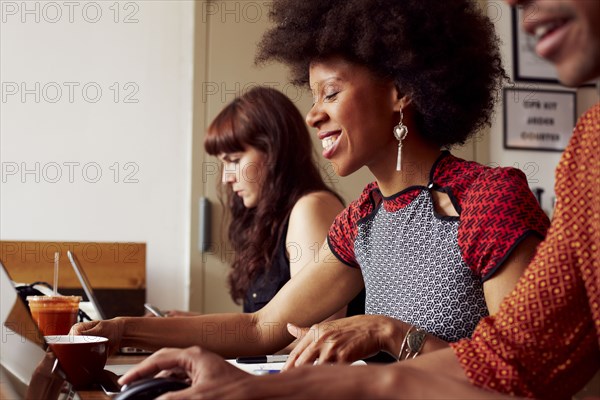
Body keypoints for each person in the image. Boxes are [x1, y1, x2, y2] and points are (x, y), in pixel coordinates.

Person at [116, 0, 600, 398]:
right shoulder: (363, 218)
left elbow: (515, 374)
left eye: (330, 93)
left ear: (401, 92)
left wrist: (388, 333)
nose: (313, 116)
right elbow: (263, 326)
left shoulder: (488, 199)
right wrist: (122, 332)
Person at [164, 86, 354, 320]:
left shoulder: (311, 209)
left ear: (274, 151)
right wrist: (196, 324)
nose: (227, 177)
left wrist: (200, 333)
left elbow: (316, 335)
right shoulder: (270, 219)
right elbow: (263, 326)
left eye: (234, 160)